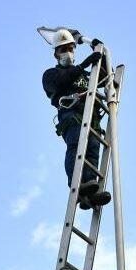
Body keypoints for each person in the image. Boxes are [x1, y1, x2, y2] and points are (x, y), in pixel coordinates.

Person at [41, 28, 112, 210]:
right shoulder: (50, 75)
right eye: (63, 49)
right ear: (56, 54)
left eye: (71, 48)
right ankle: (77, 185)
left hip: (92, 118)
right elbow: (61, 82)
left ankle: (90, 188)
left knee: (93, 149)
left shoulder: (85, 75)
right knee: (76, 145)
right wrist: (82, 66)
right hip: (72, 117)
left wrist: (101, 54)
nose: (68, 53)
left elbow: (105, 79)